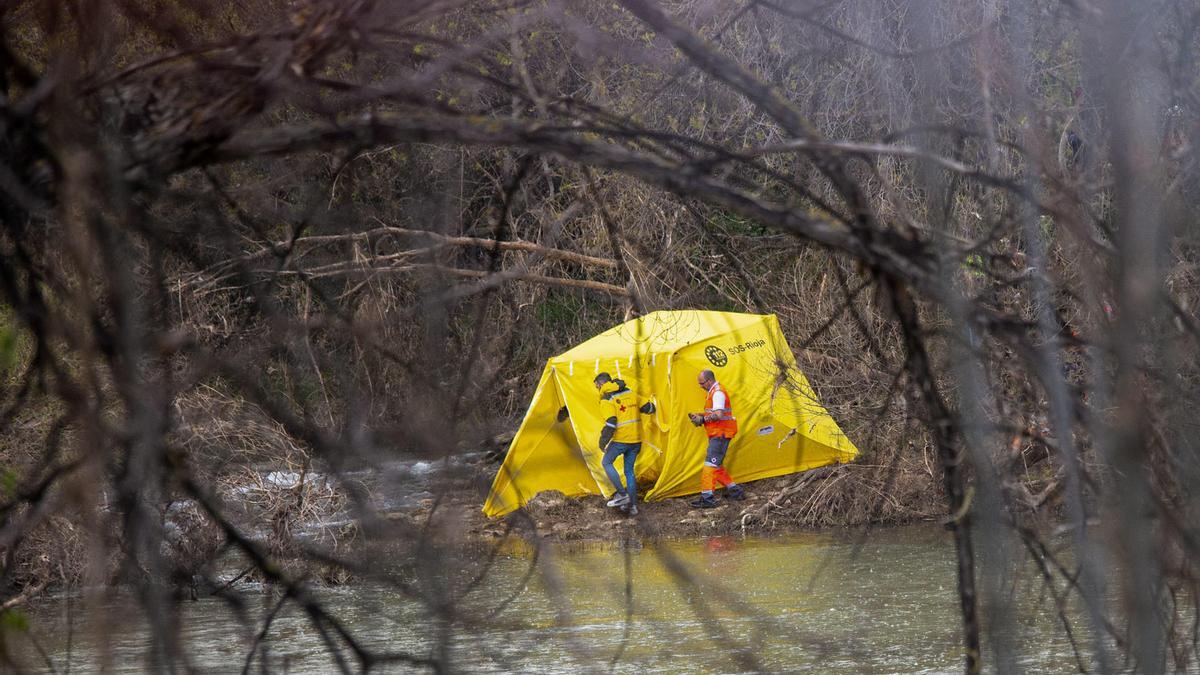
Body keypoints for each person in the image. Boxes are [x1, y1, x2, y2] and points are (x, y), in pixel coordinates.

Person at [594, 372, 654, 516]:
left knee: (606, 462)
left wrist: (602, 442)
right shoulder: (629, 392)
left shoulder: (607, 398)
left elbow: (611, 422)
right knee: (629, 471)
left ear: (601, 384)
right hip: (636, 440)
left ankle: (622, 494)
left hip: (621, 439)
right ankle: (633, 507)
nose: (597, 389)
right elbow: (649, 408)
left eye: (597, 386)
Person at [687, 369, 746, 508]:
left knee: (710, 466)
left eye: (702, 383)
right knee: (716, 466)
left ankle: (707, 498)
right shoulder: (714, 392)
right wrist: (700, 415)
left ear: (709, 381)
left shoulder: (717, 393)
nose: (700, 386)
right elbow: (713, 413)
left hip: (720, 434)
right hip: (719, 434)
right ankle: (735, 492)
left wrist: (702, 419)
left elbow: (718, 415)